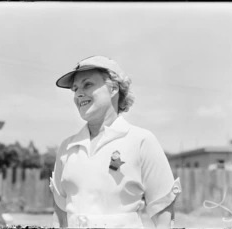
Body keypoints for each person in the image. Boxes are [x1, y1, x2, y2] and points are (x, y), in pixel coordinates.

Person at [49, 55, 181, 228]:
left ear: (113, 89)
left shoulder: (140, 141)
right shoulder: (67, 148)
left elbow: (163, 213)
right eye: (75, 89)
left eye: (87, 84)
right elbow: (60, 214)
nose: (79, 94)